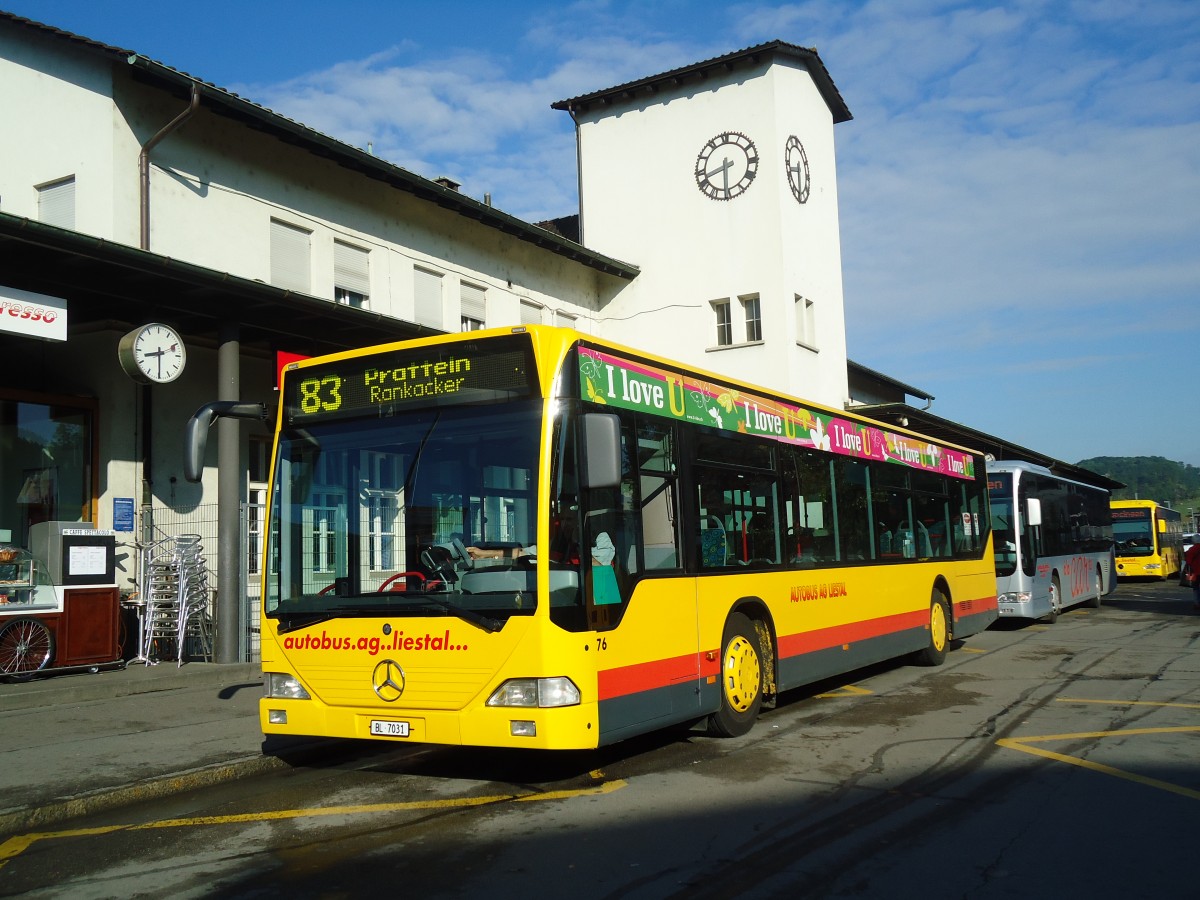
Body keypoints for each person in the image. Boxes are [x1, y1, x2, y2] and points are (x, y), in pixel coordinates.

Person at [467, 532, 615, 566]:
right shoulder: (558, 546)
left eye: (570, 519)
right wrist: (483, 554)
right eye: (563, 519)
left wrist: (578, 544)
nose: (566, 524)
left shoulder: (601, 538)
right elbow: (521, 552)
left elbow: (600, 568)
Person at [1184, 535, 1200, 611]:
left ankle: (1197, 603)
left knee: (1196, 588)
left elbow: (1188, 561)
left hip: (1196, 573)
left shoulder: (1192, 550)